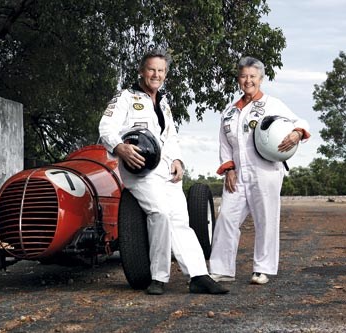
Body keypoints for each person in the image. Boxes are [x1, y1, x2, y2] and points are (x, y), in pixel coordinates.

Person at [99, 48, 228, 295]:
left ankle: (198, 276)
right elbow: (106, 126)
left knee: (180, 220)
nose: (156, 75)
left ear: (165, 74)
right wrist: (119, 147)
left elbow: (171, 136)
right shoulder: (125, 97)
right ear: (141, 71)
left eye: (161, 71)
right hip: (140, 170)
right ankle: (158, 277)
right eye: (151, 69)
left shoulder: (164, 103)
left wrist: (178, 159)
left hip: (167, 170)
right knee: (160, 213)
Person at [209, 56, 311, 285]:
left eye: (252, 76)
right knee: (226, 217)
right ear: (238, 79)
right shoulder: (229, 113)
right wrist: (229, 170)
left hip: (265, 171)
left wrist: (296, 134)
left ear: (261, 79)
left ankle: (262, 269)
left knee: (266, 219)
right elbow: (225, 145)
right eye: (244, 76)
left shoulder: (272, 104)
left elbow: (301, 121)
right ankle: (221, 269)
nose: (248, 81)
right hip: (238, 174)